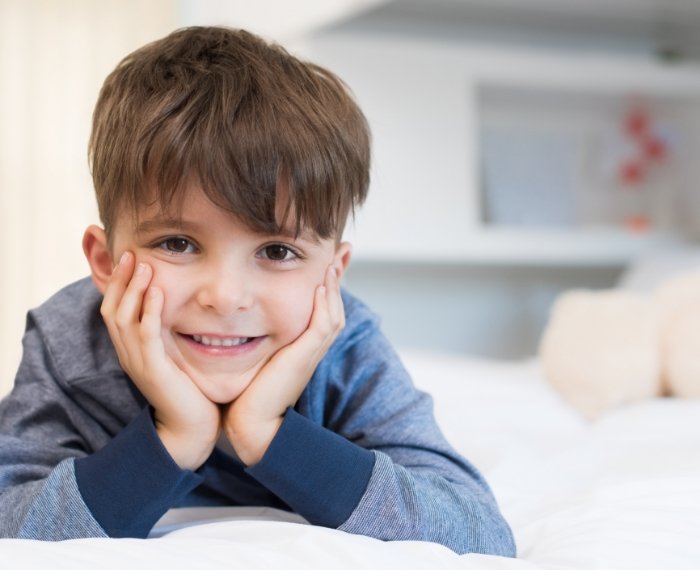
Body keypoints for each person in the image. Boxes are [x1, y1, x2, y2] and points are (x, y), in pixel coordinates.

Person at [0, 26, 515, 556]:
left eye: (277, 252)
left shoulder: (346, 349)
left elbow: (479, 533)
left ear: (331, 275)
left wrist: (267, 432)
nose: (226, 297)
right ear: (105, 263)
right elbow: (9, 522)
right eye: (177, 243)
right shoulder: (69, 345)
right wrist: (177, 436)